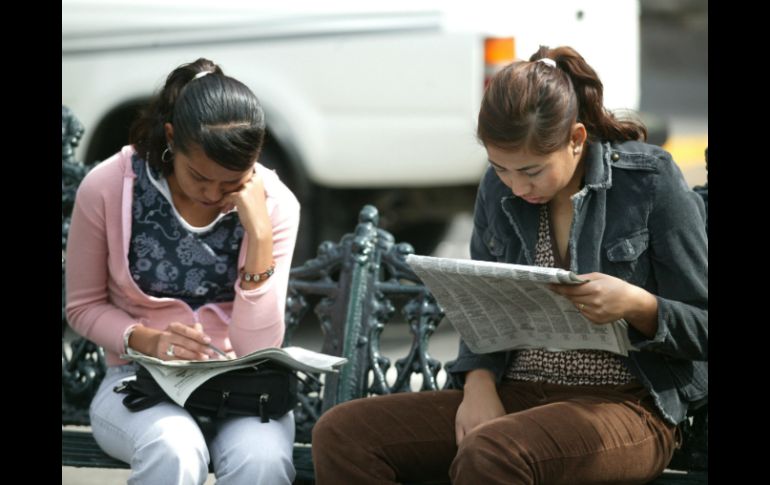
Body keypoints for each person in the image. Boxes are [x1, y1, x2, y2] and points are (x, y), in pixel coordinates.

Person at [311, 46, 707, 484]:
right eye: (501, 169)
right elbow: (480, 306)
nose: (517, 187)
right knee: (344, 433)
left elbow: (703, 324)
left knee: (494, 451)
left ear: (576, 139)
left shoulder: (649, 182)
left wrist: (637, 305)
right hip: (514, 393)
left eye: (532, 171)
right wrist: (478, 386)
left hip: (625, 404)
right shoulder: (496, 190)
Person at [65, 58, 300, 484]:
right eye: (198, 176)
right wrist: (148, 340)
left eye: (231, 182)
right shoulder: (108, 186)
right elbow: (82, 307)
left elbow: (256, 346)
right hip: (136, 382)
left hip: (242, 388)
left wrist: (260, 238)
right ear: (172, 137)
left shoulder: (276, 206)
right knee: (174, 447)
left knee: (262, 461)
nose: (213, 194)